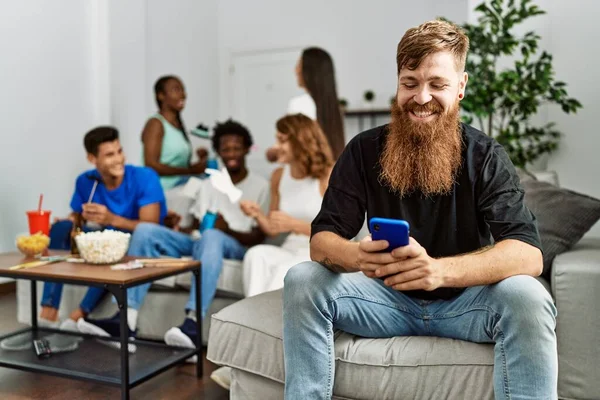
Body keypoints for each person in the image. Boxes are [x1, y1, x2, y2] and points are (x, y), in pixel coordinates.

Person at [282, 20, 557, 400]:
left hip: (467, 304)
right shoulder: (363, 150)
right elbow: (322, 241)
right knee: (302, 278)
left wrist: (438, 271)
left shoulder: (486, 156)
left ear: (460, 87)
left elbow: (529, 254)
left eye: (437, 84)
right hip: (385, 301)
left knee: (528, 295)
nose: (421, 97)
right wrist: (356, 255)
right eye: (410, 82)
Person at [78, 120, 269, 354]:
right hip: (203, 240)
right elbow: (198, 228)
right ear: (218, 152)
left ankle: (193, 324)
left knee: (212, 237)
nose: (231, 154)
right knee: (146, 230)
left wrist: (225, 230)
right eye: (225, 149)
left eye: (236, 148)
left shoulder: (261, 186)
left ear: (247, 148)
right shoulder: (209, 184)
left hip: (235, 244)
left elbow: (260, 236)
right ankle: (126, 321)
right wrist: (177, 227)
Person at [40, 127, 167, 331]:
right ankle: (48, 312)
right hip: (98, 238)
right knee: (60, 228)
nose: (119, 159)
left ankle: (79, 314)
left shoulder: (145, 177)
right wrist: (69, 219)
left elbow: (150, 227)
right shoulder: (86, 181)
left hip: (134, 242)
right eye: (109, 155)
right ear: (92, 158)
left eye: (120, 151)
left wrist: (111, 218)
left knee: (113, 246)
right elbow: (78, 217)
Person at [241, 113, 334, 297]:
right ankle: (252, 318)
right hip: (290, 248)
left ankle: (266, 323)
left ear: (300, 142)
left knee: (284, 270)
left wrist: (293, 225)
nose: (276, 147)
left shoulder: (327, 175)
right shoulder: (278, 176)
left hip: (317, 252)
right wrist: (257, 215)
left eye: (282, 141)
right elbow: (274, 229)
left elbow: (338, 233)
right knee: (256, 255)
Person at [266, 47, 345, 162]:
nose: (295, 70)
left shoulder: (299, 104)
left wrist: (272, 152)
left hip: (303, 172)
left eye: (299, 65)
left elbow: (291, 148)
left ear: (310, 71)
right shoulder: (333, 108)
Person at [141, 75, 208, 191]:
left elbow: (178, 167)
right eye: (176, 90)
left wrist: (200, 162)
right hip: (162, 188)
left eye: (183, 90)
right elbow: (151, 165)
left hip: (180, 184)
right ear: (161, 96)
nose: (183, 95)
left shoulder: (178, 126)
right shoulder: (155, 124)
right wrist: (190, 171)